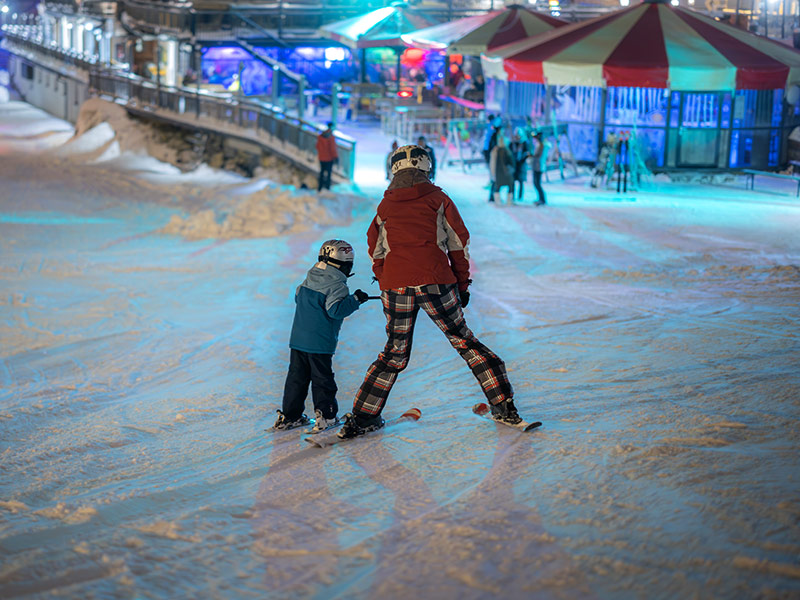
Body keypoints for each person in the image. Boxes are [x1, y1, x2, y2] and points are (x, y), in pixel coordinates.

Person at [337, 145, 525, 440]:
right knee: (464, 341)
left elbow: (376, 249)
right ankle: (503, 406)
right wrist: (462, 284)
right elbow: (457, 244)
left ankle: (363, 417)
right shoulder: (439, 200)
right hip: (436, 281)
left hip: (395, 286)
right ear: (427, 168)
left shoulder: (385, 207)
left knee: (394, 353)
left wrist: (386, 278)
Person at [274, 240, 370, 432]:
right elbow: (335, 310)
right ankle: (326, 416)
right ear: (345, 265)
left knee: (296, 378)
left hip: (298, 340)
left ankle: (290, 416)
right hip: (319, 343)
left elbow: (298, 296)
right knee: (322, 379)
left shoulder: (310, 278)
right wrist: (355, 300)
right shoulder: (338, 286)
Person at [489, 133, 515, 203]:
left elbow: (492, 163)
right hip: (505, 173)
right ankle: (508, 201)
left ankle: (498, 201)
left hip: (499, 173)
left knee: (498, 187)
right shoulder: (506, 150)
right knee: (509, 186)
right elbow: (511, 162)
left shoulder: (496, 150)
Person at [316, 122, 338, 192]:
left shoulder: (320, 136)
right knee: (328, 174)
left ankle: (320, 187)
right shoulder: (331, 138)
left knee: (322, 172)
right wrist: (335, 157)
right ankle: (327, 187)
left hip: (321, 158)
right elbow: (332, 149)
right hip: (329, 158)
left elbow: (317, 146)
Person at [509, 129, 530, 201]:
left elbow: (527, 153)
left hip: (521, 165)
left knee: (521, 181)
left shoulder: (524, 143)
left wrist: (522, 159)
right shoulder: (512, 144)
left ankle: (520, 196)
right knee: (513, 181)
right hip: (514, 165)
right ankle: (512, 196)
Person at [531, 131, 547, 206]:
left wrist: (531, 155)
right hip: (537, 166)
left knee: (537, 183)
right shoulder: (540, 145)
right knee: (536, 183)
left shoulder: (541, 145)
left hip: (538, 167)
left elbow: (537, 155)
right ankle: (541, 199)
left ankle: (542, 199)